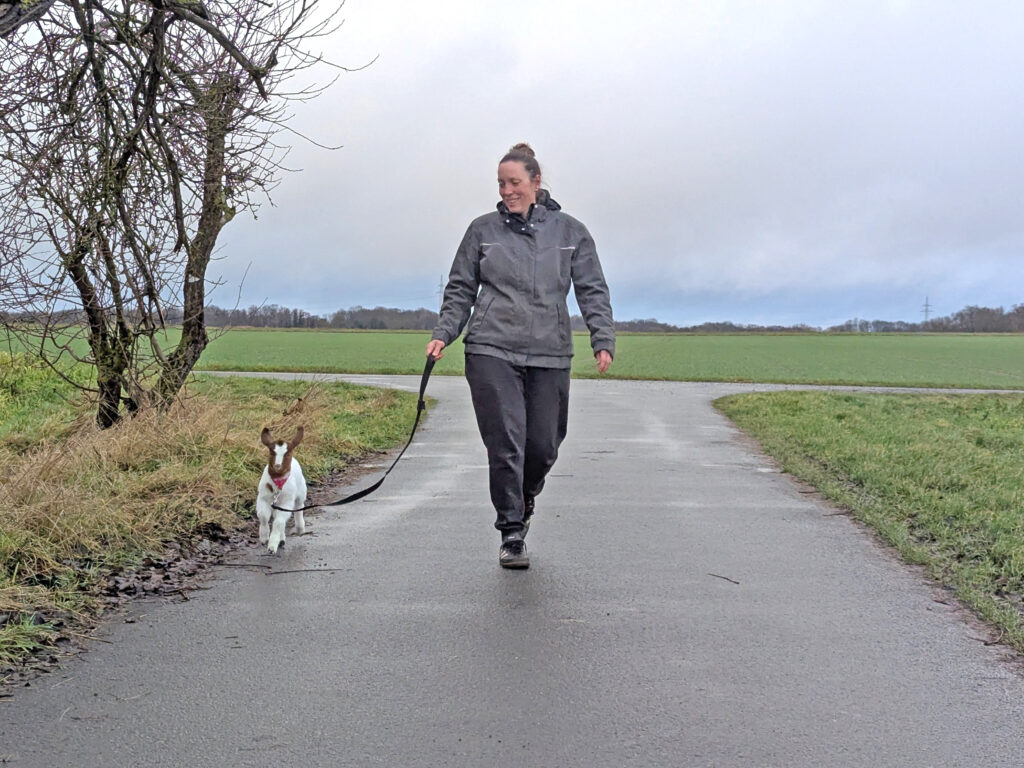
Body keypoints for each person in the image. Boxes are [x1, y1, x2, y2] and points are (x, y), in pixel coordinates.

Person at [426, 142, 615, 569]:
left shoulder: (571, 233)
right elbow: (460, 289)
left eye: (514, 182)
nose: (507, 190)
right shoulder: (482, 231)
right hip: (491, 347)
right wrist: (444, 334)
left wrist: (601, 337)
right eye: (500, 183)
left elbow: (592, 289)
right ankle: (511, 531)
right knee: (506, 443)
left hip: (550, 350)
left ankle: (525, 498)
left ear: (535, 182)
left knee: (544, 445)